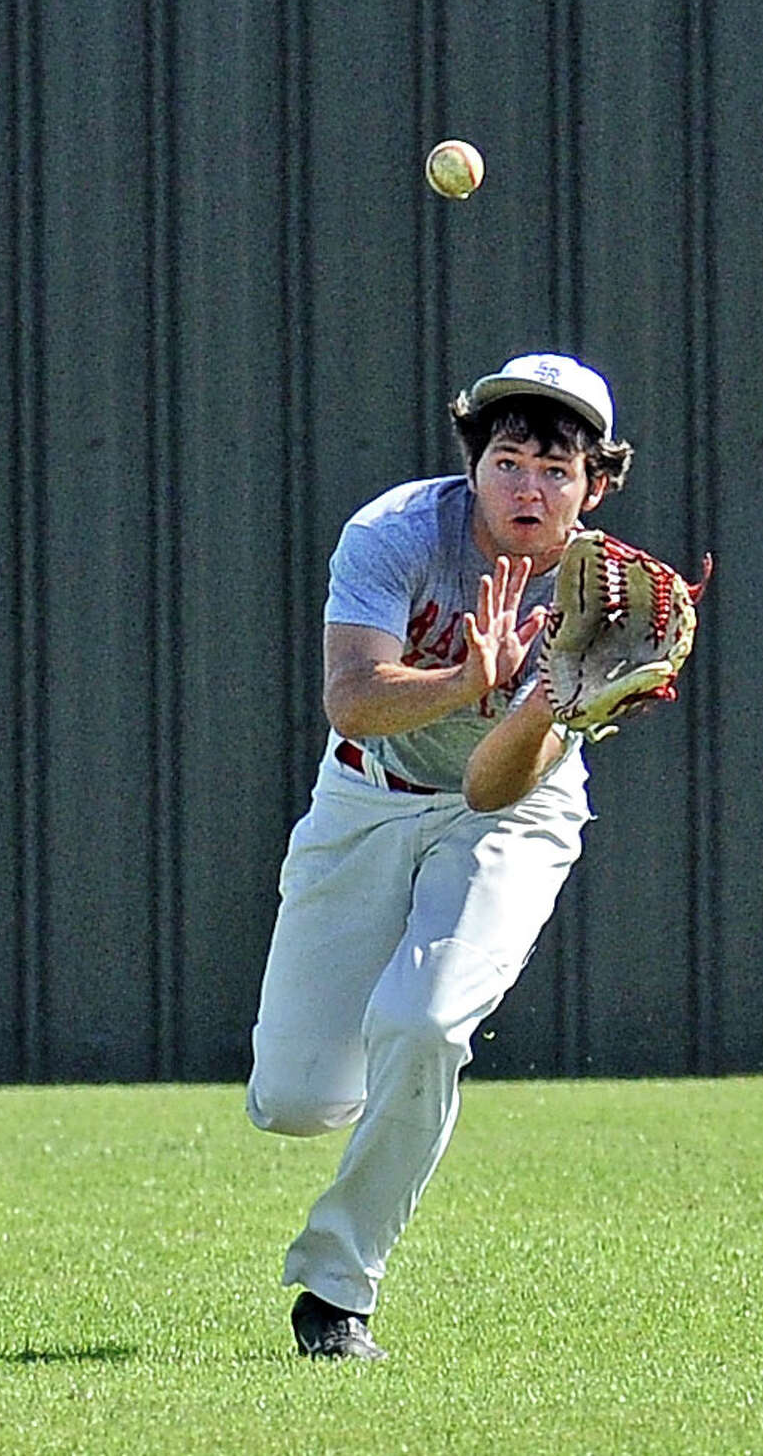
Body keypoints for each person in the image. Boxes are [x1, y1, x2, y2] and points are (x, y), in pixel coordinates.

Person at [246, 352, 634, 1360]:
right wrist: (469, 676)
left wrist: (544, 693)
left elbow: (493, 787)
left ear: (593, 485)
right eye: (509, 458)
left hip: (509, 813)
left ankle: (335, 1292)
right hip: (364, 793)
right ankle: (381, 1091)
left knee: (422, 1024)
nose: (529, 486)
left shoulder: (606, 597)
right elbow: (352, 699)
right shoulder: (391, 532)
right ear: (475, 466)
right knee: (292, 1102)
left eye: (557, 468)